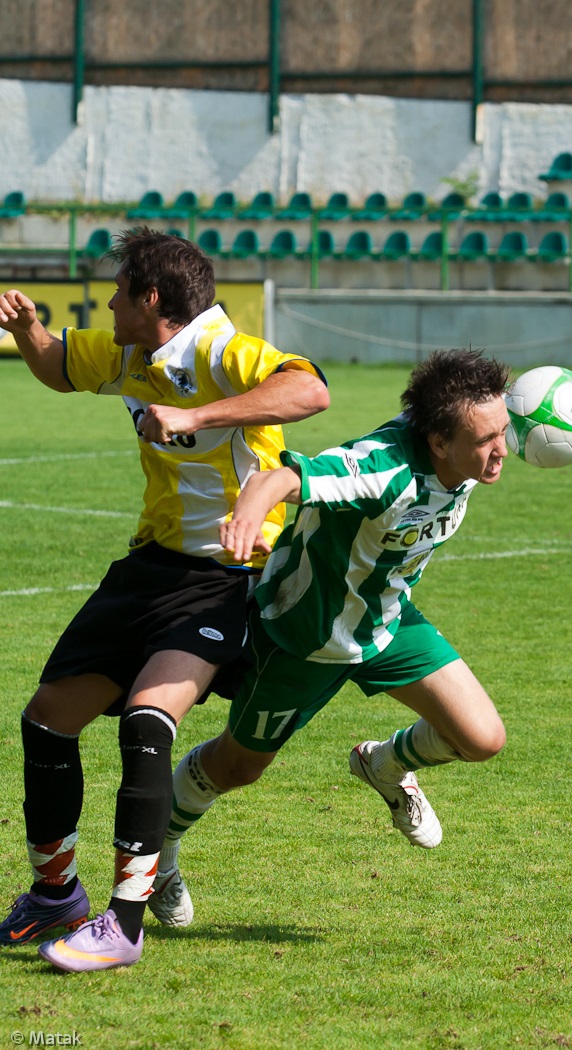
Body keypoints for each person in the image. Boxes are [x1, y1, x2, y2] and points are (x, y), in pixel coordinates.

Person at [138, 346, 572, 933]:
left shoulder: (472, 428)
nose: (502, 451)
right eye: (487, 440)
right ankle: (160, 849)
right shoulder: (382, 469)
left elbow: (514, 409)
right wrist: (248, 515)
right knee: (236, 768)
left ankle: (382, 764)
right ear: (438, 443)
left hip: (386, 620)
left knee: (483, 738)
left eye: (504, 433)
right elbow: (284, 475)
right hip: (305, 634)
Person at [0, 228, 329, 971]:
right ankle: (55, 898)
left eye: (118, 291)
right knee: (47, 722)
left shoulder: (219, 352)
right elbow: (58, 366)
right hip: (148, 569)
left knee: (149, 720)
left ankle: (124, 924)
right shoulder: (129, 353)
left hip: (224, 575)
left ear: (152, 298)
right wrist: (28, 332)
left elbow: (309, 389)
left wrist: (196, 416)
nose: (108, 302)